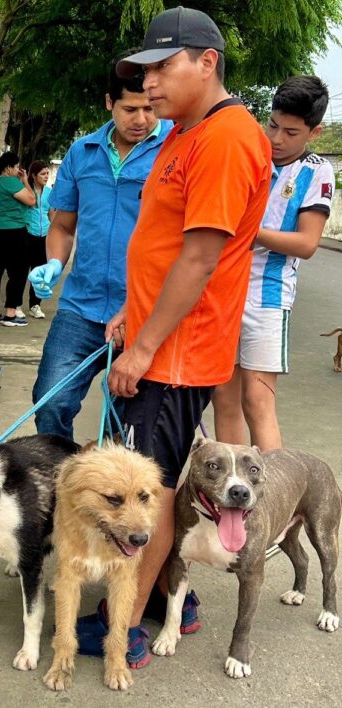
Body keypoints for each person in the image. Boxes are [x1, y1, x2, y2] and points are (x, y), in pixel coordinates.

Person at [77, 7, 272, 668]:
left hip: (176, 355)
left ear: (207, 61)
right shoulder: (189, 133)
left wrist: (143, 347)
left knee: (146, 494)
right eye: (144, 71)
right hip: (163, 339)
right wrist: (135, 314)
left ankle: (124, 629)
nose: (150, 82)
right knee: (156, 483)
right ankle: (172, 601)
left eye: (164, 66)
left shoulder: (225, 138)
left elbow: (199, 257)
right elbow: (164, 247)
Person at [28, 53, 172, 440]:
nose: (141, 120)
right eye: (129, 109)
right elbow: (62, 224)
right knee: (50, 401)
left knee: (124, 423)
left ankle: (110, 491)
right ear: (110, 103)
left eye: (148, 108)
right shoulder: (82, 152)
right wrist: (55, 263)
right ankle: (66, 484)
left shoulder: (175, 149)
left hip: (143, 310)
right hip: (81, 306)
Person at [212, 76, 334, 450]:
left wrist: (248, 232)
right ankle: (230, 497)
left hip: (267, 299)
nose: (277, 139)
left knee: (258, 401)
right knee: (223, 398)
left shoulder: (317, 171)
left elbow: (307, 243)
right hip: (222, 291)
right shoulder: (249, 154)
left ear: (315, 132)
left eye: (292, 132)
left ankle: (275, 503)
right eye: (273, 126)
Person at [0, 152, 36, 326]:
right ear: (9, 167)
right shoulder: (11, 182)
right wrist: (25, 181)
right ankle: (10, 313)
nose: (19, 171)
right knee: (18, 272)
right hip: (14, 232)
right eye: (17, 167)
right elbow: (32, 200)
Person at [24, 161, 53, 319]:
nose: (46, 177)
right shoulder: (27, 191)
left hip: (44, 236)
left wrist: (53, 233)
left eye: (47, 173)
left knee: (39, 273)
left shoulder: (49, 192)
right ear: (33, 176)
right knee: (22, 272)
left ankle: (35, 305)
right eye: (43, 174)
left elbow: (51, 214)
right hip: (28, 234)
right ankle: (14, 305)